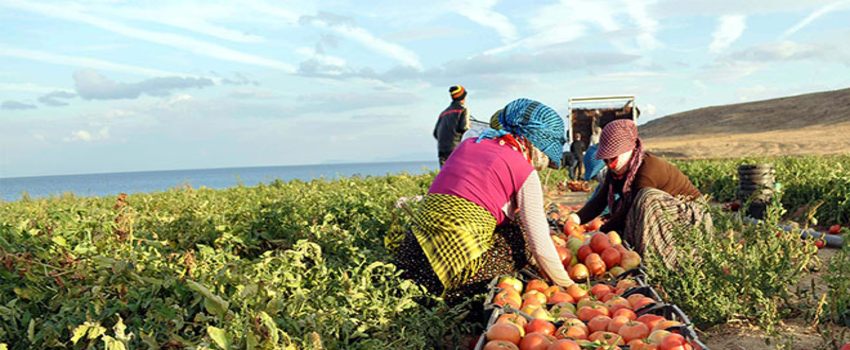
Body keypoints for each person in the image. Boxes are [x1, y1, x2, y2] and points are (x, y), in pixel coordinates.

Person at [394, 98, 573, 303]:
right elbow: (539, 244)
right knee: (520, 235)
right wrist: (568, 286)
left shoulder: (468, 145)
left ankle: (426, 290)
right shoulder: (523, 170)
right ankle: (461, 293)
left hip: (411, 261)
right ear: (536, 142)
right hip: (453, 274)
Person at [573, 119, 712, 269]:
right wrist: (575, 219)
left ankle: (659, 264)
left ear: (628, 151)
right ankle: (633, 255)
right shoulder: (618, 172)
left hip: (689, 217)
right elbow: (599, 201)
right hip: (665, 214)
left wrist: (599, 234)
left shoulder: (648, 169)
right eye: (605, 161)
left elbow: (632, 208)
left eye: (613, 158)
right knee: (624, 205)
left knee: (646, 197)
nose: (609, 164)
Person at [433, 85, 472, 168]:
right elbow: (464, 128)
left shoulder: (443, 113)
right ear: (463, 97)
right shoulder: (463, 110)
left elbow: (435, 133)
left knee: (445, 175)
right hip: (456, 149)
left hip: (442, 150)